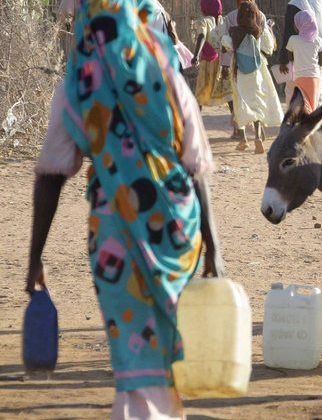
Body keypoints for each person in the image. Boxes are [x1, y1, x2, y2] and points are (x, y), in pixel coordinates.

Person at [26, 1, 224, 417]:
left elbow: (52, 174)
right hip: (177, 232)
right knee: (167, 344)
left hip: (116, 233)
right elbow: (197, 163)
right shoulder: (165, 68)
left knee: (135, 344)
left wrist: (35, 258)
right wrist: (212, 247)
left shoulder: (80, 84)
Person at [224, 1, 283, 154]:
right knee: (256, 102)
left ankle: (243, 139)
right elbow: (269, 49)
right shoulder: (259, 32)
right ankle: (257, 137)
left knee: (239, 102)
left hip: (238, 70)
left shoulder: (233, 32)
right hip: (257, 70)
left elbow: (224, 43)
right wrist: (268, 29)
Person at [278, 0, 322, 105]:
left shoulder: (295, 3)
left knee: (292, 88)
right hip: (318, 51)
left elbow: (289, 32)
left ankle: (293, 117)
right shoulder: (321, 3)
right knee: (318, 86)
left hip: (297, 52)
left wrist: (283, 59)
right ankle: (316, 117)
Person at [285, 10, 322, 113]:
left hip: (299, 76)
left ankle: (302, 127)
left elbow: (290, 58)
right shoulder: (318, 40)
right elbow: (321, 62)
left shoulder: (293, 39)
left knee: (302, 106)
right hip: (314, 77)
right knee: (313, 106)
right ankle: (311, 127)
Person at [192, 0, 228, 108]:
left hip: (208, 61)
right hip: (223, 61)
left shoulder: (204, 21)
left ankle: (195, 119)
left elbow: (201, 36)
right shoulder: (223, 21)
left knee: (200, 92)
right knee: (228, 92)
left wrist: (196, 55)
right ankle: (236, 120)